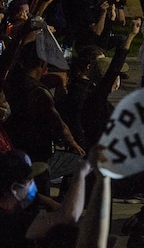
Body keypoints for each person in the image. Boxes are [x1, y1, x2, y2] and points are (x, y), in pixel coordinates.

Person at [3, 42, 85, 196]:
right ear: (43, 62)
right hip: (37, 149)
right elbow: (57, 123)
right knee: (78, 160)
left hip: (14, 142)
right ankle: (58, 203)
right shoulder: (39, 92)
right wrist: (72, 142)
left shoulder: (13, 81)